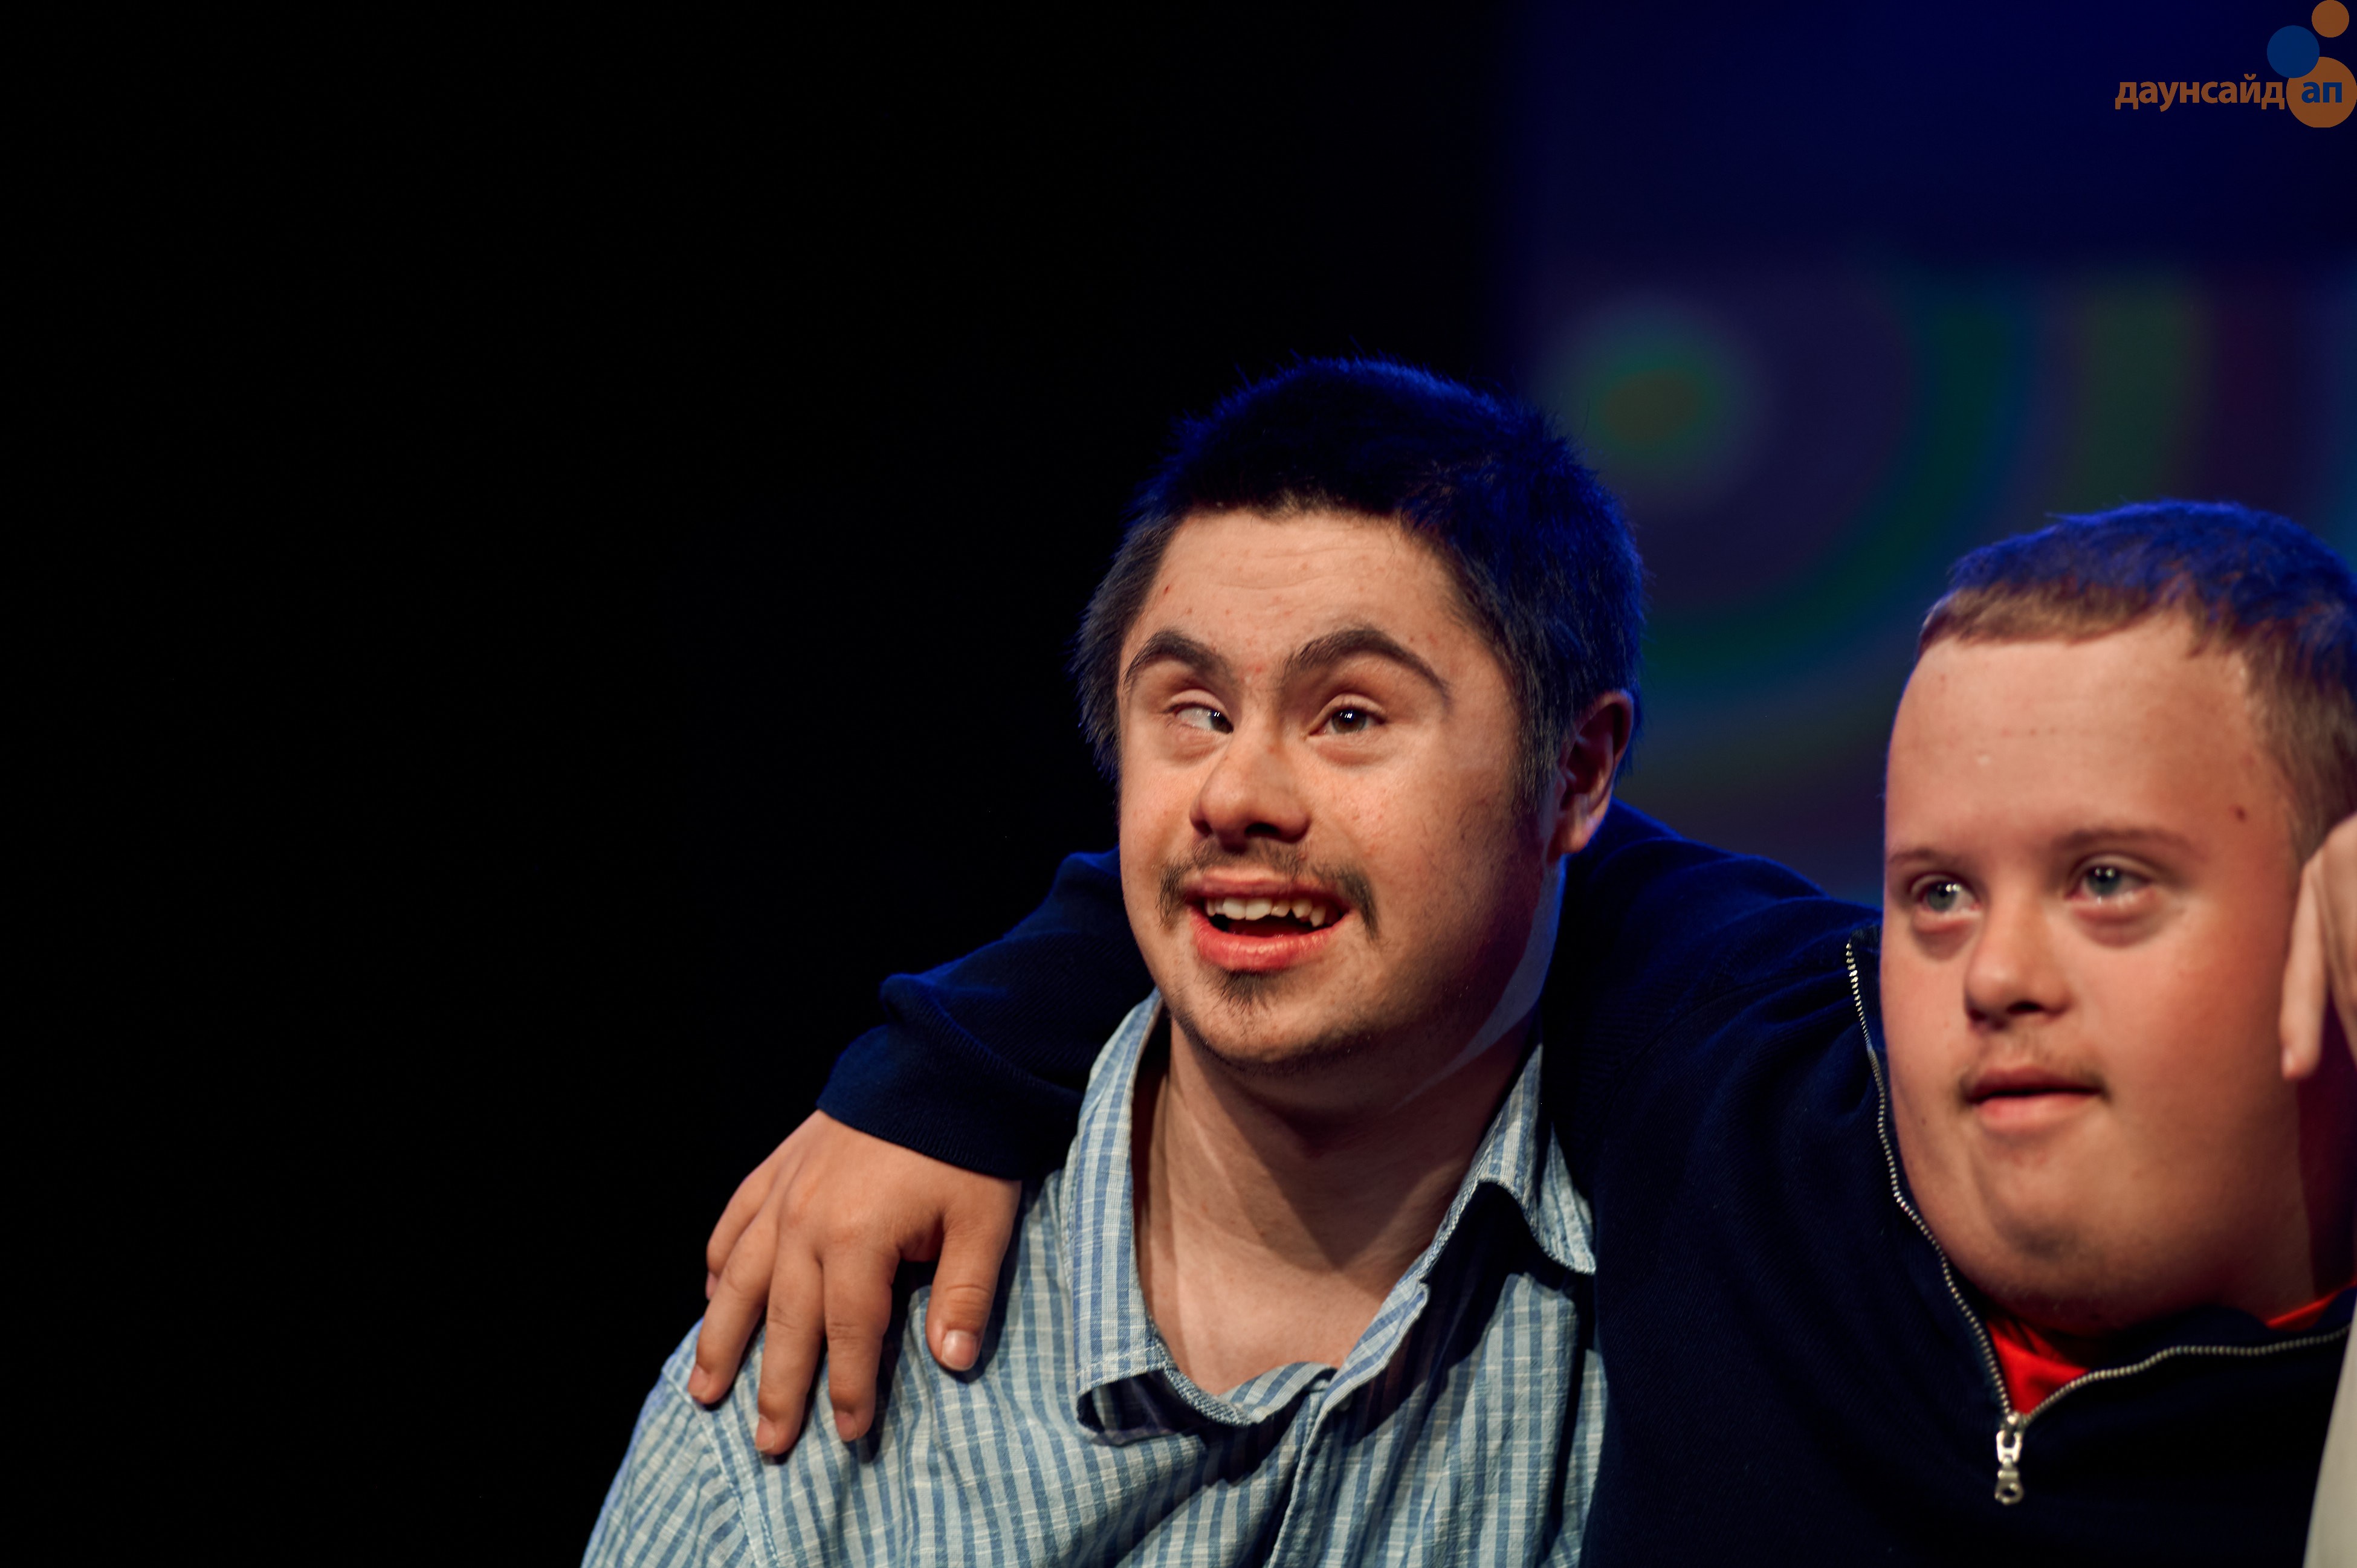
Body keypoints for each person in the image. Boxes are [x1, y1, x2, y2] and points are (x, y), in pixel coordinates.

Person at [688, 496, 2357, 1564]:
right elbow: (1399, 856)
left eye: (2110, 881)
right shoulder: (1754, 1069)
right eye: (1933, 891)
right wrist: (949, 1061)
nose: (1995, 971)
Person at [588, 361, 1646, 1563]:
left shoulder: (1714, 1320)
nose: (1235, 795)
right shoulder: (813, 1403)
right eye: (1194, 711)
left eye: (1350, 715)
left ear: (1577, 772)